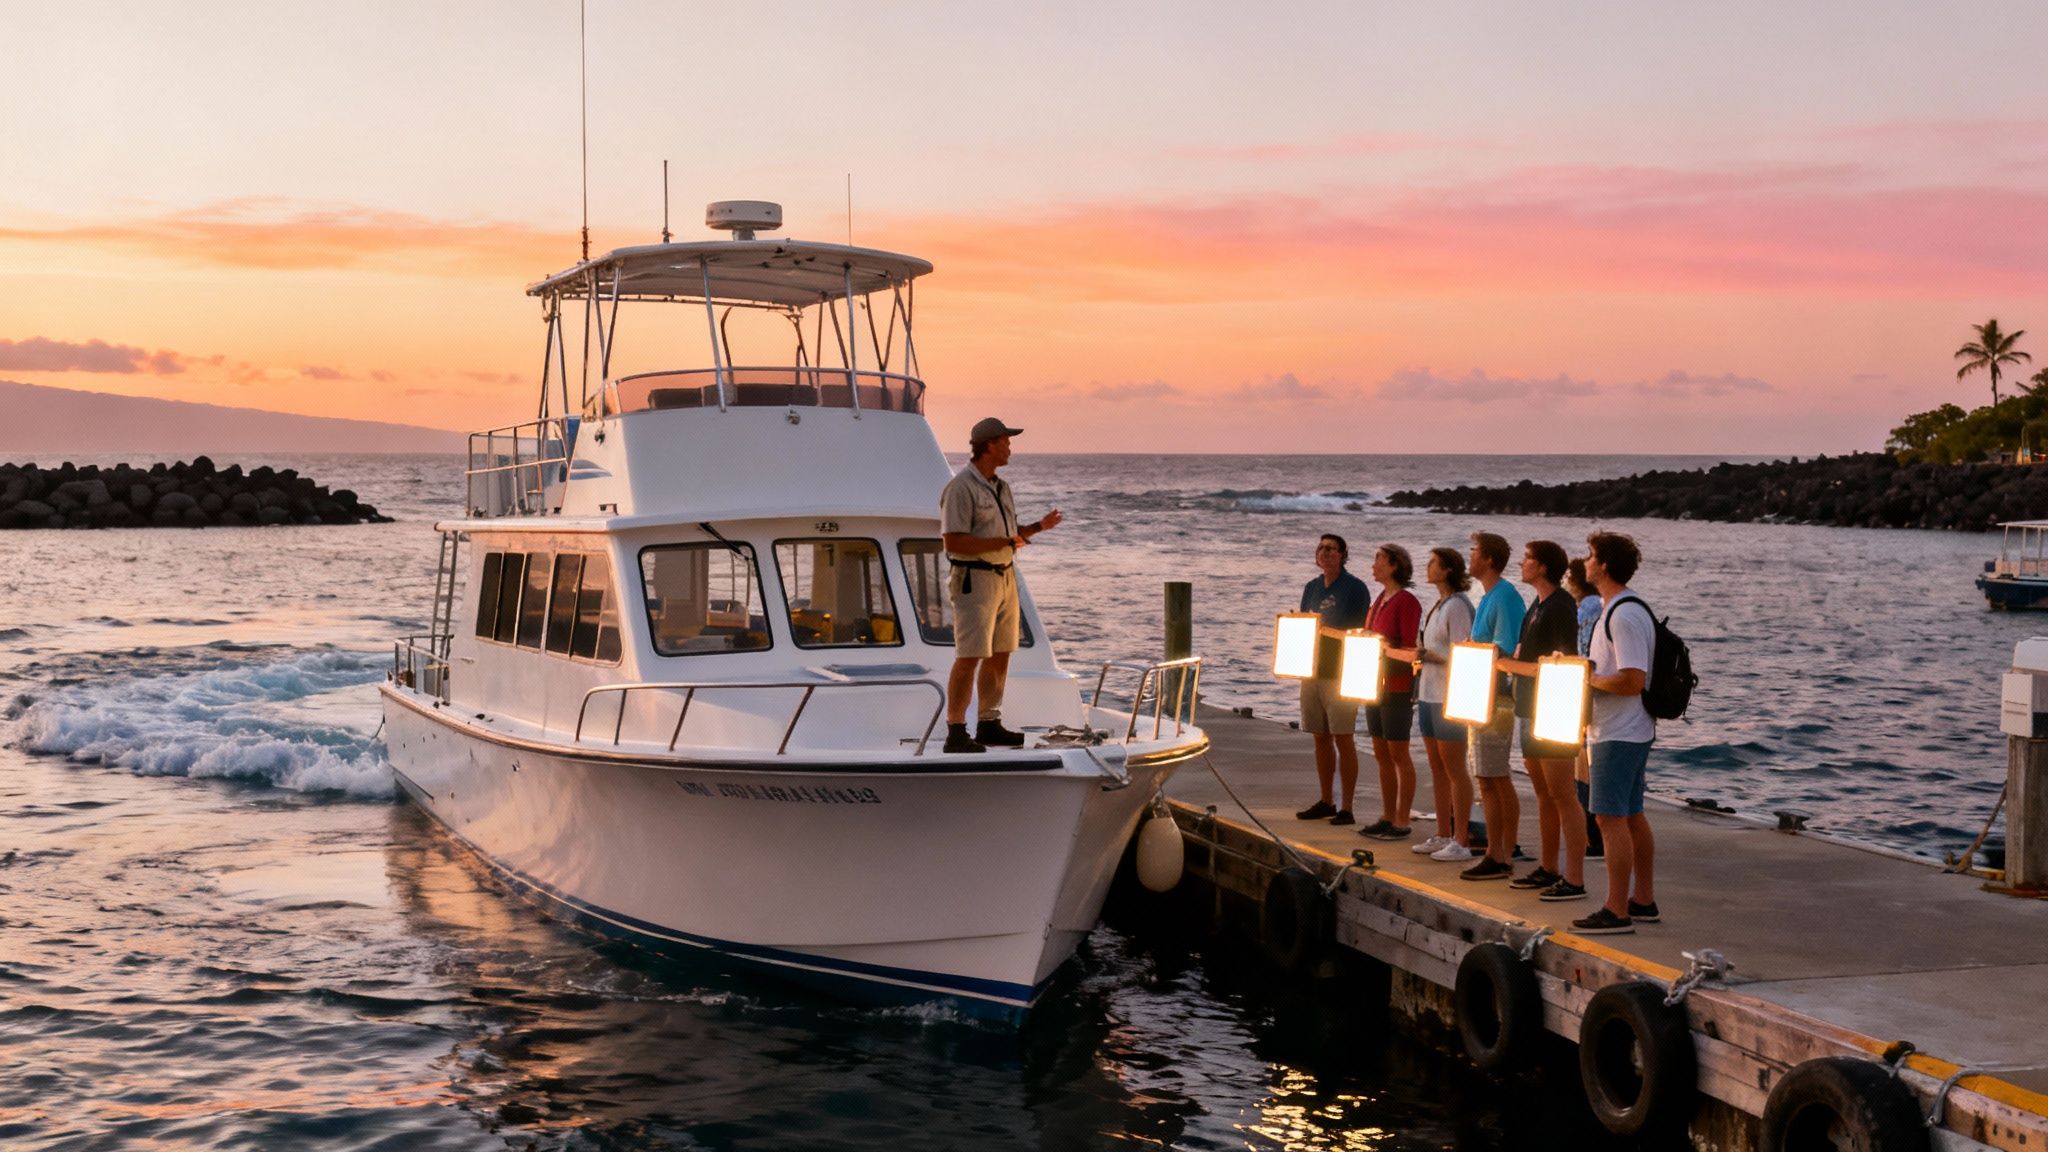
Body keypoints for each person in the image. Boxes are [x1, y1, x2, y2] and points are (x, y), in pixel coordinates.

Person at [938, 417, 1061, 754]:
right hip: (973, 580)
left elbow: (1009, 535)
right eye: (1006, 441)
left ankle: (989, 723)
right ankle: (956, 730)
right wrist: (1002, 542)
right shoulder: (961, 488)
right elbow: (954, 542)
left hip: (1005, 577)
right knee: (970, 655)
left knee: (1000, 652)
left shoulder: (1001, 487)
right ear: (990, 444)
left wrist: (1037, 527)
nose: (1010, 447)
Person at [1572, 531, 1659, 935]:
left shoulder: (1623, 614)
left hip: (1618, 732)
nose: (1585, 561)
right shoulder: (1618, 608)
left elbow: (1632, 680)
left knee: (1609, 818)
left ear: (1603, 565)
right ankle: (1642, 900)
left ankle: (1616, 908)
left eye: (1590, 555)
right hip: (1626, 729)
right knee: (1632, 814)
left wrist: (1587, 679)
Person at [1496, 540, 1588, 901]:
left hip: (1551, 709)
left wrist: (1506, 665)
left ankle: (1575, 878)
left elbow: (1560, 665)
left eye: (1529, 558)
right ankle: (1549, 866)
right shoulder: (1537, 604)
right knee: (1543, 794)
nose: (1522, 562)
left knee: (1564, 795)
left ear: (1545, 566)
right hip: (1528, 708)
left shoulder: (1561, 607)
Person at [1387, 547, 1475, 861]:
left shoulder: (1458, 607)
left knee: (1454, 768)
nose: (1427, 567)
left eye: (1434, 563)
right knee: (1437, 767)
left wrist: (1428, 656)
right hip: (1427, 691)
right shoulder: (1437, 604)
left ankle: (1461, 838)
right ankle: (1442, 832)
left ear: (1448, 569)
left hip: (1447, 695)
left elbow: (1464, 654)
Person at [1460, 531, 1525, 882]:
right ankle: (1497, 850)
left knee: (1494, 776)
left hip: (1496, 697)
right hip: (1479, 693)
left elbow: (1506, 647)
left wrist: (1474, 650)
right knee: (1486, 776)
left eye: (1474, 551)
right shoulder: (1487, 596)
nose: (1469, 556)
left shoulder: (1506, 597)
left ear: (1487, 559)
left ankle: (1500, 852)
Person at [1293, 533, 1371, 825]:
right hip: (1312, 671)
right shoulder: (1311, 587)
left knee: (1343, 738)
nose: (1325, 553)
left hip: (1340, 673)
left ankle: (1347, 807)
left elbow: (1361, 630)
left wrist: (1326, 629)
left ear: (1342, 554)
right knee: (1320, 737)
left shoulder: (1355, 588)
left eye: (1332, 549)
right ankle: (1327, 799)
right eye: (1321, 548)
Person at [1359, 544, 1422, 841]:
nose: (1374, 565)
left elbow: (1409, 647)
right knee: (1381, 751)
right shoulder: (1379, 600)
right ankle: (1387, 814)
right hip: (1374, 683)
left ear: (1394, 565)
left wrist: (1384, 648)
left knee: (1399, 752)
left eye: (1379, 560)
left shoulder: (1406, 601)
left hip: (1396, 685)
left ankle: (1401, 817)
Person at [1566, 559, 1605, 859]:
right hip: (1587, 692)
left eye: (1570, 576)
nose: (1566, 580)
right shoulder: (1595, 605)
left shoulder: (1589, 607)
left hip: (1585, 693)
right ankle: (1591, 835)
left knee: (1584, 766)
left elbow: (1583, 652)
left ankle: (1592, 837)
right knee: (1584, 764)